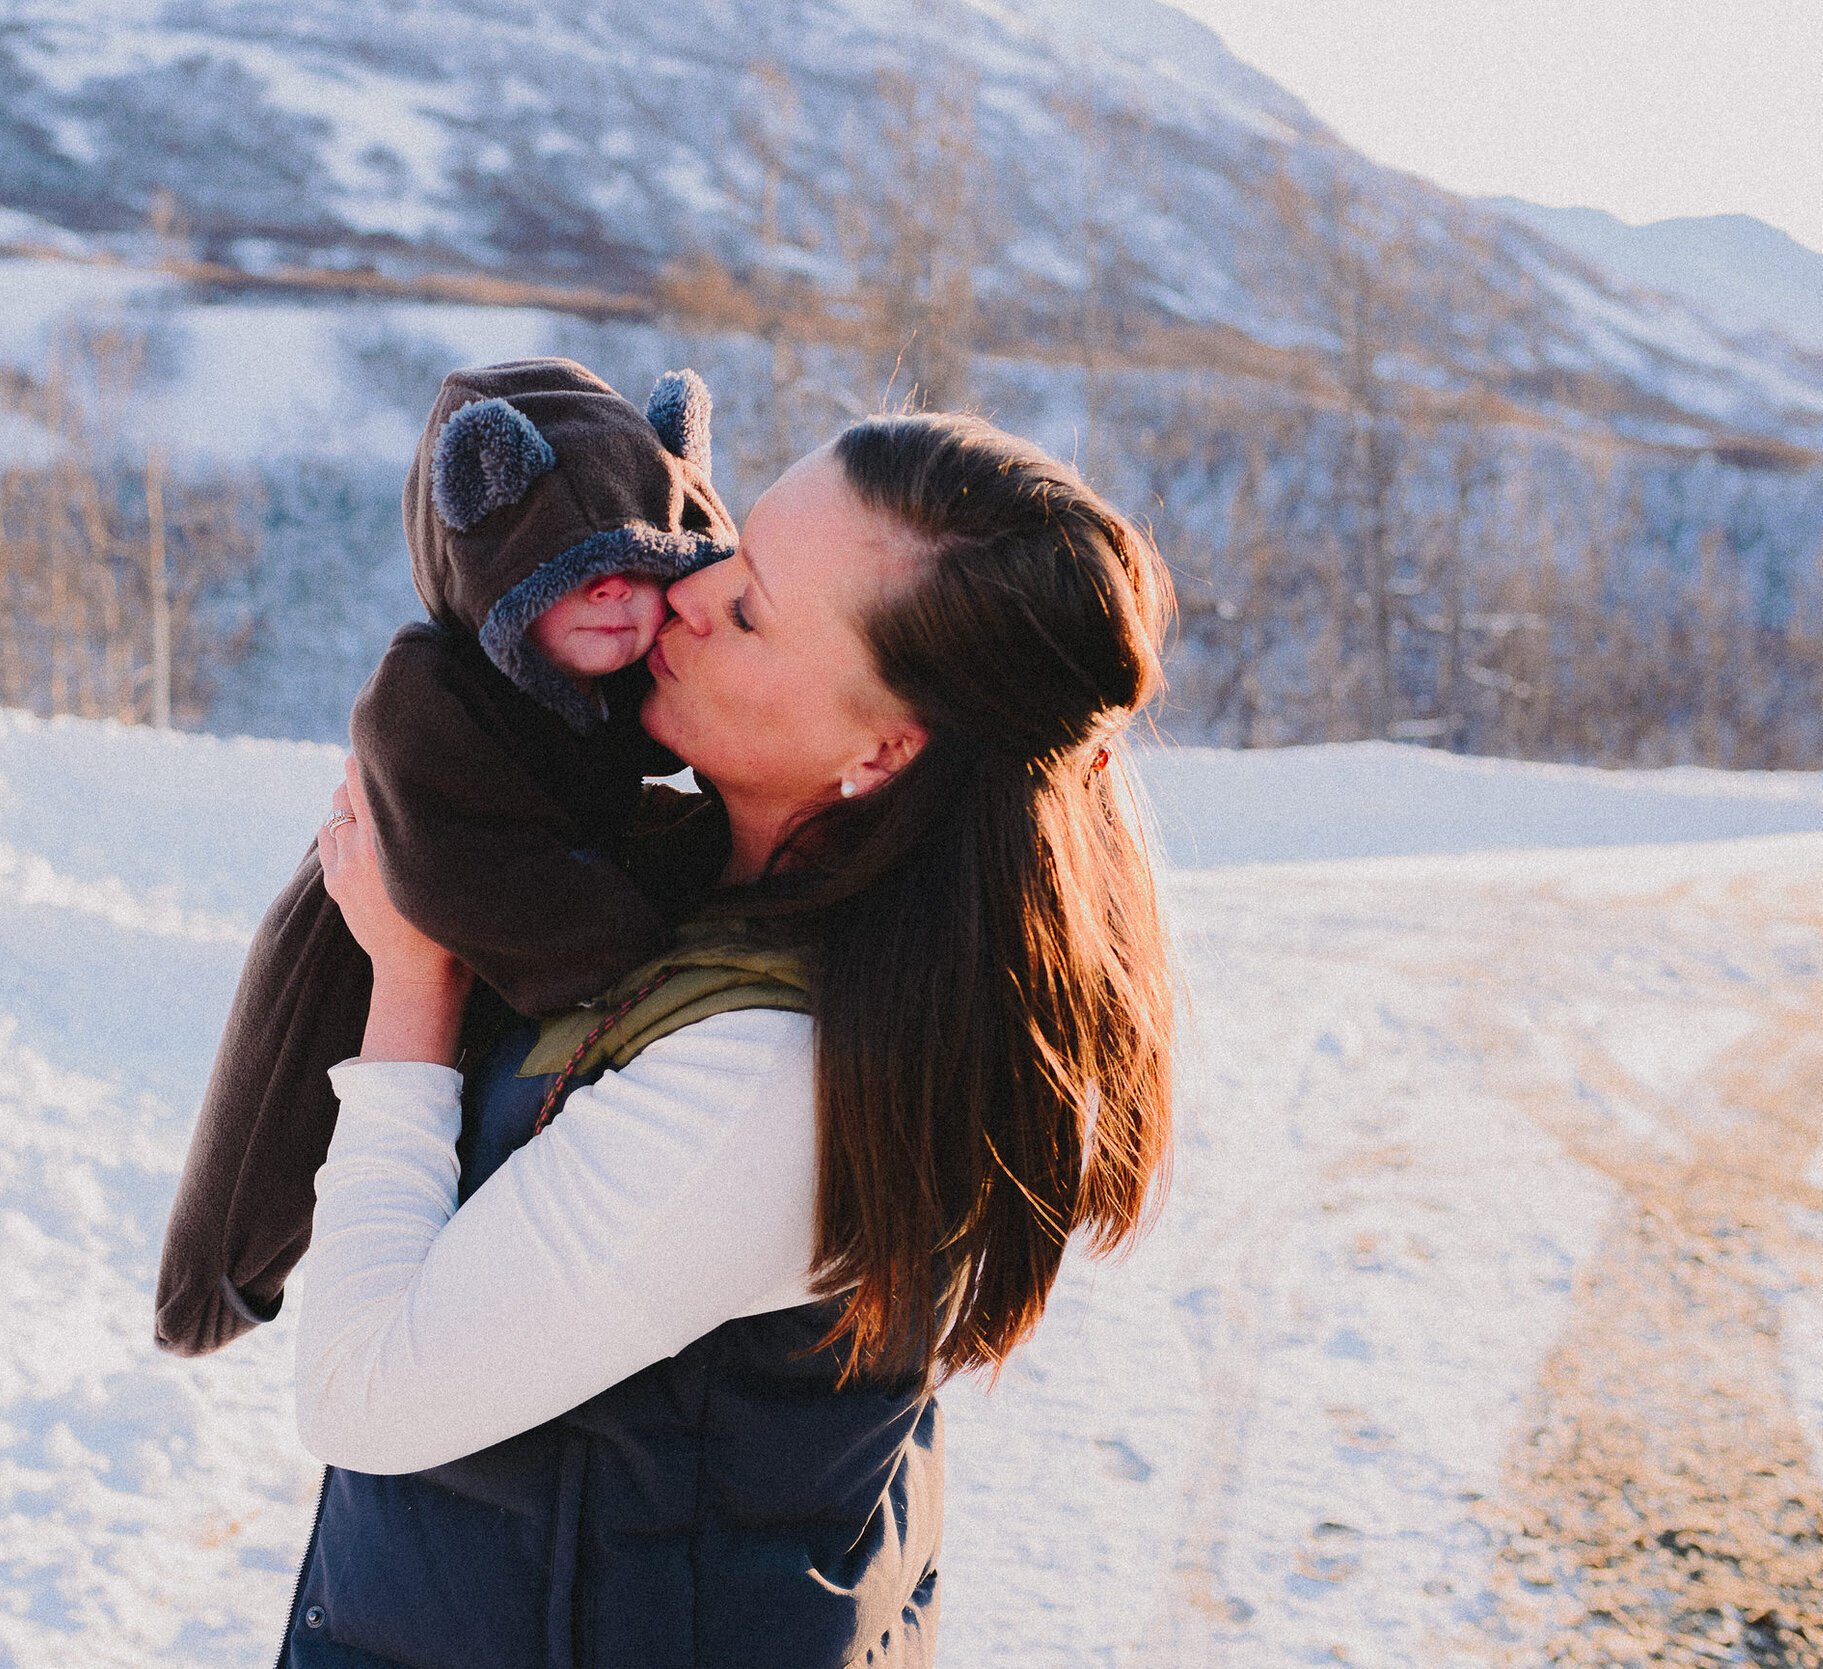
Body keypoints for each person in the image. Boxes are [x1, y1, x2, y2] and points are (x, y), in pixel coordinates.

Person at [281, 410, 1178, 1669]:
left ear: (882, 751)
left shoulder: (767, 1083)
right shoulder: (711, 898)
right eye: (732, 544)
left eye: (751, 609)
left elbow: (362, 1394)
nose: (686, 589)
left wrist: (413, 984)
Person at [153, 358, 737, 1358]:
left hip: (519, 896)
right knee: (276, 1127)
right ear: (491, 581)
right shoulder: (427, 692)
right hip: (363, 915)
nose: (615, 598)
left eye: (644, 572)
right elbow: (463, 878)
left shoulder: (604, 680)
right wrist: (627, 949)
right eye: (573, 573)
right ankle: (207, 1294)